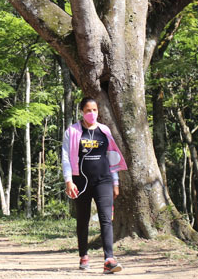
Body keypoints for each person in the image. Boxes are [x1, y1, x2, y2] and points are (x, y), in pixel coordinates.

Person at [61, 97, 127, 274]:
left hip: (103, 180)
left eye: (95, 110)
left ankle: (109, 260)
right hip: (80, 182)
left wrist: (115, 181)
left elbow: (111, 157)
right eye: (88, 110)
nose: (92, 113)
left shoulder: (104, 131)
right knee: (83, 219)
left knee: (106, 219)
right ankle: (83, 255)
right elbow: (66, 157)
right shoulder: (73, 131)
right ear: (82, 111)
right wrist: (69, 181)